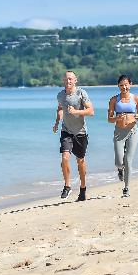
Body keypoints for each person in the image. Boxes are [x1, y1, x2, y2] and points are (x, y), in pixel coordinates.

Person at [52, 70, 94, 201]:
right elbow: (60, 108)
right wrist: (57, 122)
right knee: (65, 157)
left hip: (81, 132)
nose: (68, 81)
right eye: (66, 79)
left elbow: (91, 111)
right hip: (66, 131)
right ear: (63, 81)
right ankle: (67, 186)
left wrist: (76, 111)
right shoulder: (60, 95)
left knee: (80, 161)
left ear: (75, 80)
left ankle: (83, 188)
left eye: (70, 79)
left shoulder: (81, 93)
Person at [107, 74, 138, 198]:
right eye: (121, 85)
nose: (124, 87)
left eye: (126, 85)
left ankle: (126, 188)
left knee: (128, 160)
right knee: (119, 161)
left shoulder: (136, 98)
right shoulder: (114, 100)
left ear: (130, 84)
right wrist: (117, 118)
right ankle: (120, 169)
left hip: (133, 132)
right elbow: (109, 119)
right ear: (118, 86)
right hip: (119, 132)